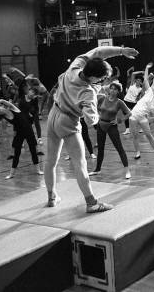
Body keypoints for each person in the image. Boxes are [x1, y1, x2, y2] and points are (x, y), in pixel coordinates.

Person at [44, 45, 137, 213]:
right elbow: (90, 120)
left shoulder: (76, 65)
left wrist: (122, 51)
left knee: (50, 161)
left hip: (53, 115)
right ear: (94, 77)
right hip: (68, 122)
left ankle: (51, 197)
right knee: (80, 164)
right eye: (101, 80)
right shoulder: (88, 92)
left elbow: (99, 51)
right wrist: (97, 98)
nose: (102, 83)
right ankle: (91, 203)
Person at [0, 99, 43, 179]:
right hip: (19, 134)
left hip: (29, 131)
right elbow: (4, 128)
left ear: (0, 106)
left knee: (33, 151)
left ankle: (38, 170)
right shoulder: (5, 118)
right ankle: (11, 174)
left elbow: (3, 100)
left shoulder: (13, 108)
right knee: (16, 154)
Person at [89, 82, 132, 179]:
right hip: (101, 125)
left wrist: (120, 120)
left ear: (118, 91)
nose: (112, 90)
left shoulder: (119, 102)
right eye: (111, 88)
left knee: (119, 148)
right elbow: (94, 104)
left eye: (115, 89)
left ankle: (127, 171)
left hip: (111, 126)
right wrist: (96, 115)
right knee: (100, 148)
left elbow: (129, 113)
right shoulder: (103, 98)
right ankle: (97, 169)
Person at [128, 63, 154, 160]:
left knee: (148, 134)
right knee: (135, 135)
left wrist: (149, 119)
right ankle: (137, 153)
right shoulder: (149, 92)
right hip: (133, 115)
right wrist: (147, 68)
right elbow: (146, 79)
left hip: (143, 118)